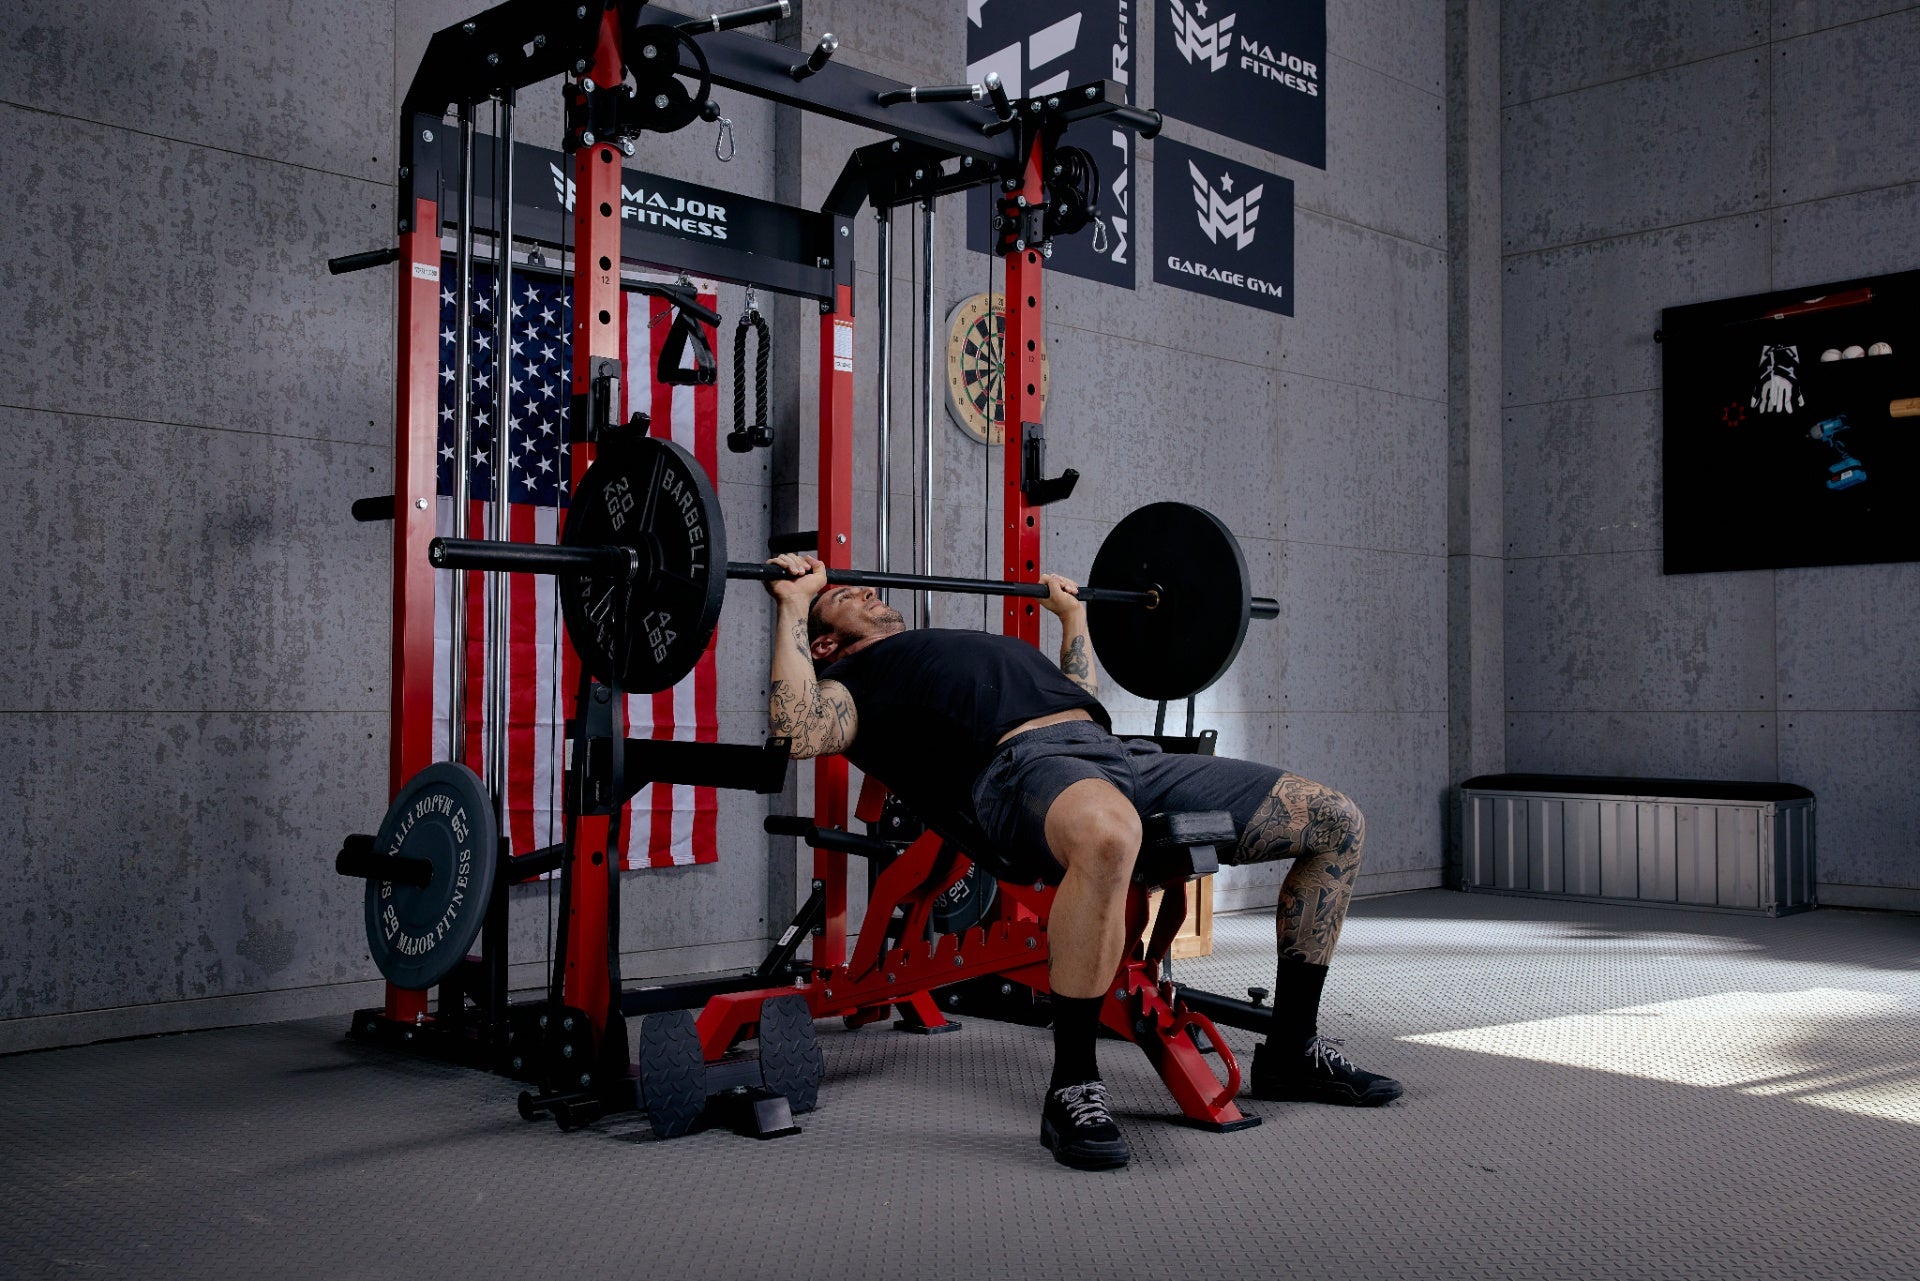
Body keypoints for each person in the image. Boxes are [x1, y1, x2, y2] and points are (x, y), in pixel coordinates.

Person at [764, 555, 1401, 1171]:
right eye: (842, 597)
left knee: (1335, 821)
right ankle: (1072, 1087)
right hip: (1021, 771)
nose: (863, 591)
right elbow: (797, 731)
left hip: (1117, 756)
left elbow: (1079, 694)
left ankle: (1291, 1050)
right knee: (1107, 836)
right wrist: (793, 604)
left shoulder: (950, 644)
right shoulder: (858, 682)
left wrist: (1073, 621)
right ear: (823, 645)